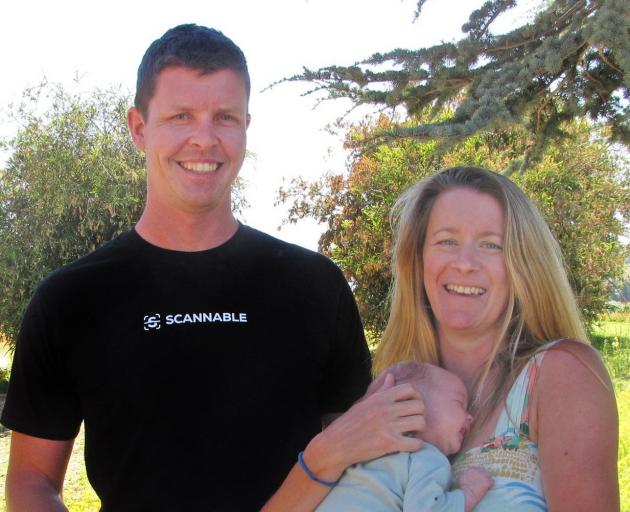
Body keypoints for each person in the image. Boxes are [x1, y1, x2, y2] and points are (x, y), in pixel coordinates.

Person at [1, 25, 425, 511]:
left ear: (246, 124)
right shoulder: (72, 299)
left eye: (224, 117)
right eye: (181, 116)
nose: (204, 139)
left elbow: (356, 469)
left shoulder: (314, 286)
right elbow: (32, 482)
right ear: (139, 128)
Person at [372, 166, 620, 511]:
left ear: (523, 263)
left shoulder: (561, 374)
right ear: (417, 259)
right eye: (447, 241)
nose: (465, 263)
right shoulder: (395, 389)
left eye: (491, 245)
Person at [316, 361, 494, 512]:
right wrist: (468, 493)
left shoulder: (363, 452)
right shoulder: (426, 457)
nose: (470, 417)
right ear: (411, 403)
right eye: (459, 402)